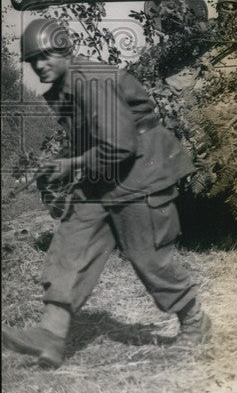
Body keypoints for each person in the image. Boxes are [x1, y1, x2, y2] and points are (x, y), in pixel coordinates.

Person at [1, 19, 211, 368]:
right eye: (32, 60)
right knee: (71, 241)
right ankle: (51, 334)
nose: (39, 65)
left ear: (65, 49)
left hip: (140, 171)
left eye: (46, 56)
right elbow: (93, 140)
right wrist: (65, 164)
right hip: (105, 174)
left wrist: (71, 166)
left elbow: (120, 145)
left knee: (148, 257)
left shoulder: (92, 81)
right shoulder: (63, 86)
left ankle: (194, 321)